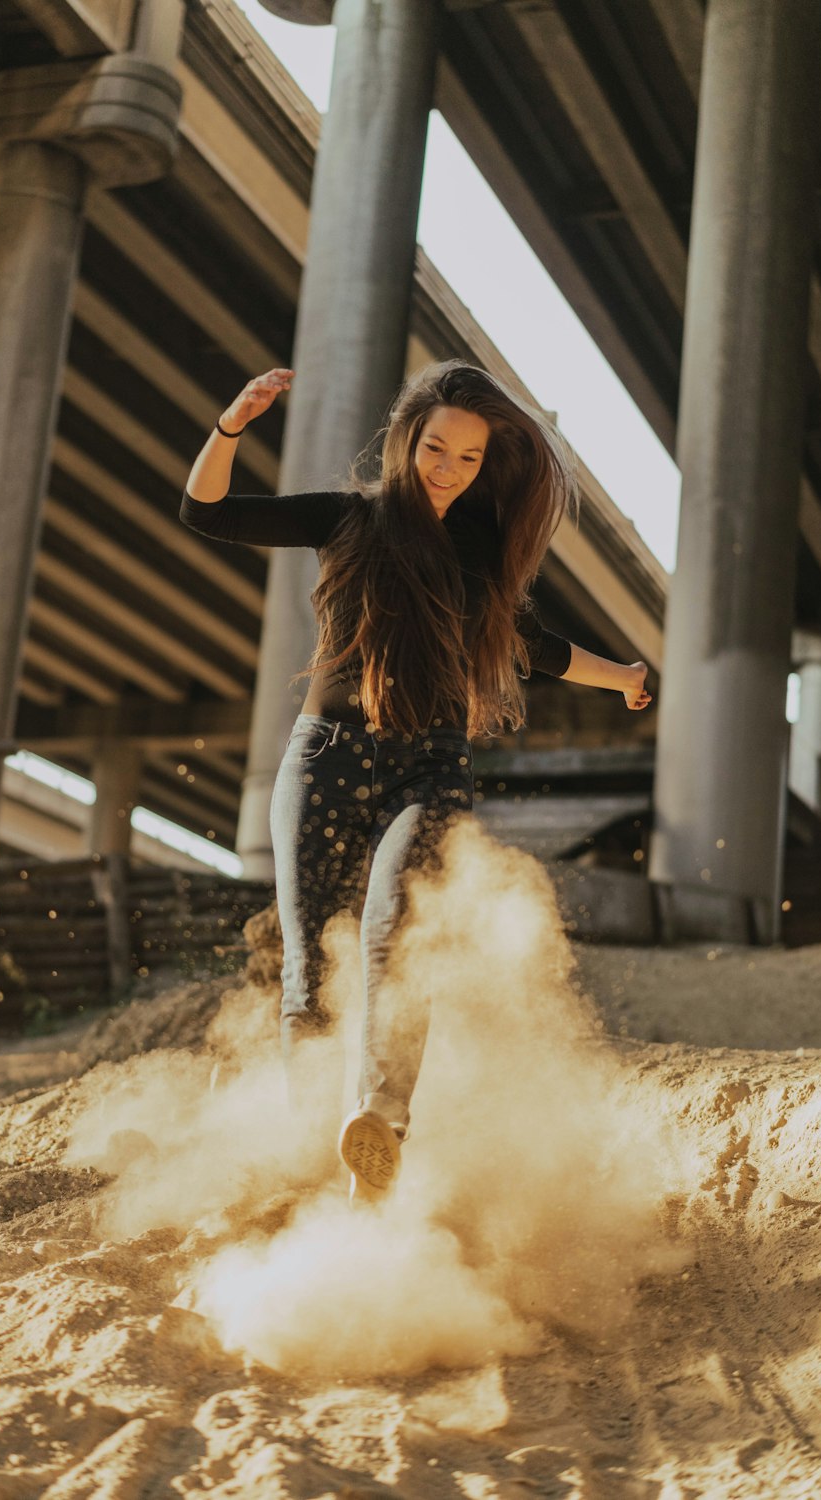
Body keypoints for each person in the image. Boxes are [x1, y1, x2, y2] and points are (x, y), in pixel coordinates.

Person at [181, 361, 652, 1201]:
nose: (450, 469)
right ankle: (305, 1153)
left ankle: (379, 1127)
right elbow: (206, 511)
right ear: (407, 439)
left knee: (395, 932)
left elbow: (532, 646)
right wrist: (231, 426)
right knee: (309, 972)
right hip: (325, 756)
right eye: (438, 448)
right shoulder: (347, 519)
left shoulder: (476, 552)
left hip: (428, 765)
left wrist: (620, 677)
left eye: (469, 458)